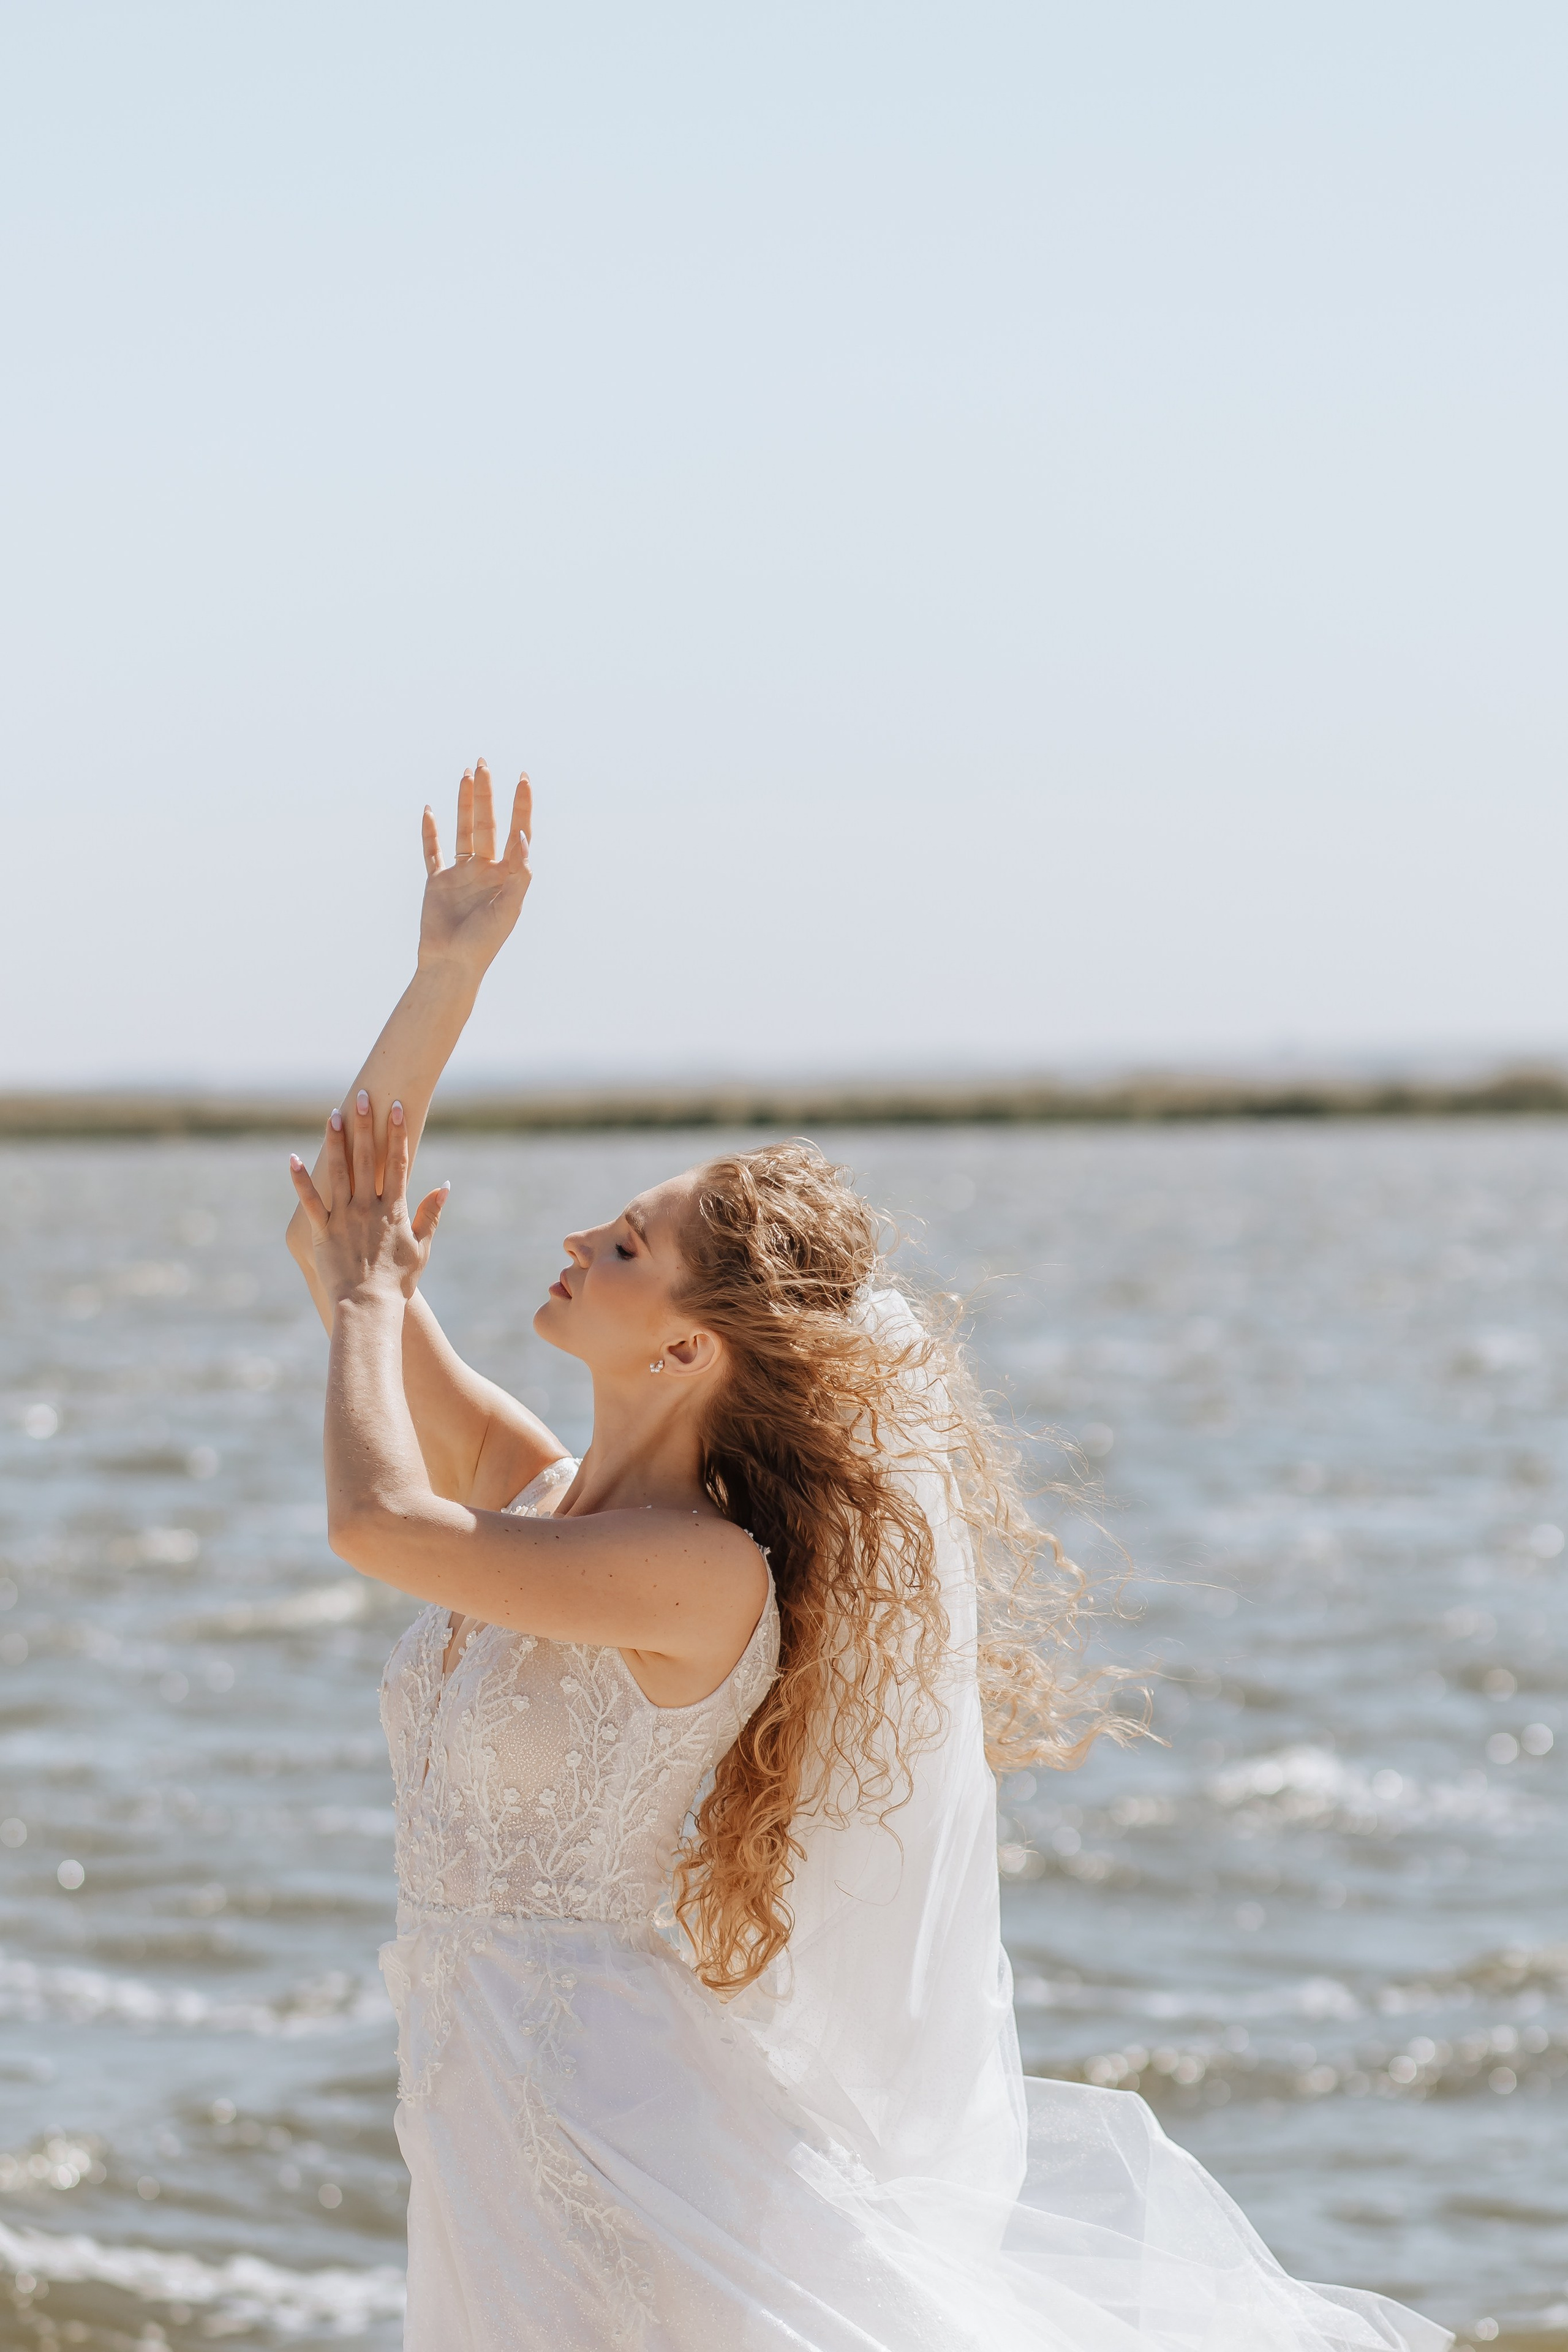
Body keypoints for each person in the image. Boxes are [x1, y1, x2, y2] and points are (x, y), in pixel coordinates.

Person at [284, 764, 1450, 2351]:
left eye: (624, 1245)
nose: (574, 1243)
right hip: (476, 2086)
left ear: (692, 1349)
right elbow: (346, 1207)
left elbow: (375, 1520)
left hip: (604, 2129)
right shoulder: (549, 1488)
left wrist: (366, 1307)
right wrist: (448, 978)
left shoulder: (699, 1574)